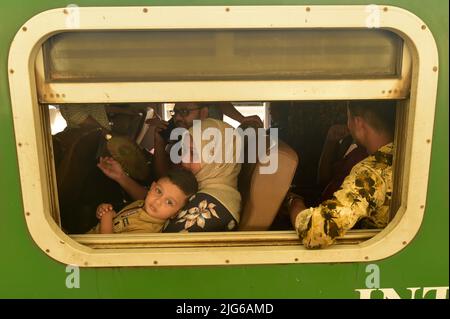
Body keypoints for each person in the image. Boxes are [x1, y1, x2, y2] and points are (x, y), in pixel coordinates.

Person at [99, 118, 242, 232]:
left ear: (219, 159)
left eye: (193, 153)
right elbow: (158, 204)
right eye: (184, 150)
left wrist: (106, 219)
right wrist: (121, 177)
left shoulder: (209, 206)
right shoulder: (208, 184)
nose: (184, 160)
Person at [287, 100, 396, 249]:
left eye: (348, 118)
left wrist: (293, 202)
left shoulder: (371, 173)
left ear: (357, 122)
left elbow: (315, 231)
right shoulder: (399, 154)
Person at [88, 168, 198, 234]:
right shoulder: (140, 204)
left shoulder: (146, 231)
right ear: (152, 186)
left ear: (176, 213)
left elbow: (107, 248)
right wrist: (107, 212)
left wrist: (106, 217)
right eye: (158, 191)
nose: (158, 201)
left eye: (169, 202)